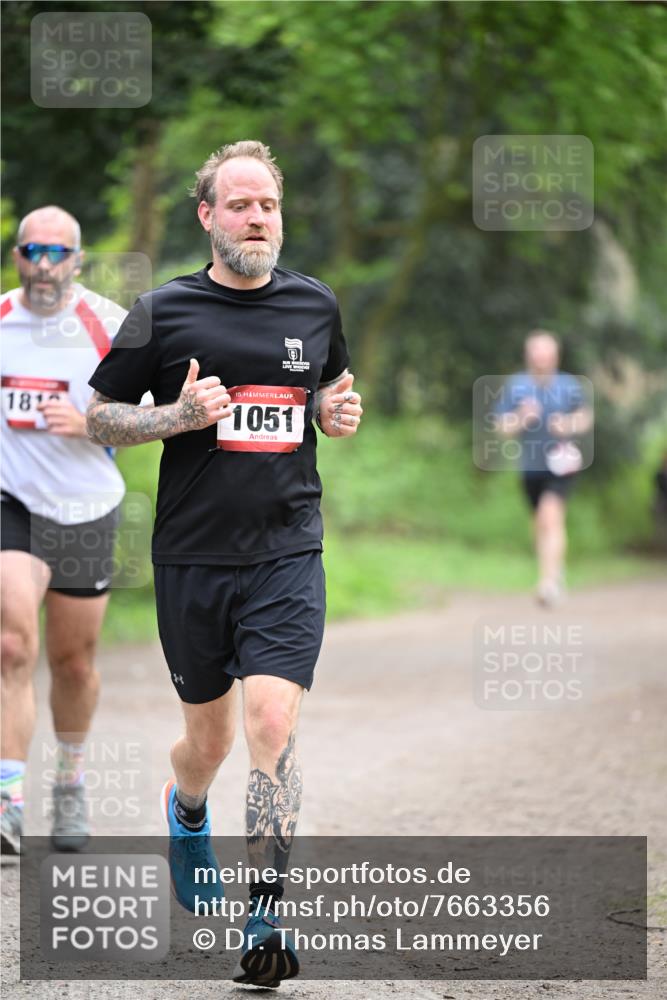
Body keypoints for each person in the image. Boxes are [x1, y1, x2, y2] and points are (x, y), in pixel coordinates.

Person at [86, 140, 363, 987]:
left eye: (267, 205)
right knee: (206, 743)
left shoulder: (314, 303)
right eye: (239, 205)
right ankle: (187, 807)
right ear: (207, 215)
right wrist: (175, 415)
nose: (256, 219)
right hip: (193, 558)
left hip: (287, 549)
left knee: (271, 725)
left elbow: (329, 392)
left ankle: (265, 915)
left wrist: (334, 412)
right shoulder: (161, 311)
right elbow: (99, 416)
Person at [1, 206, 127, 854]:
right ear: (18, 256)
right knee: (10, 645)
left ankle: (70, 782)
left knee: (73, 664)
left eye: (57, 253)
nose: (44, 264)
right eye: (33, 251)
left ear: (77, 260)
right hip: (12, 502)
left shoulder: (109, 325)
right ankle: (8, 801)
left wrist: (89, 424)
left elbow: (150, 415)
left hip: (84, 507)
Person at [494, 330, 592, 607]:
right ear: (528, 355)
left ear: (555, 356)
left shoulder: (569, 385)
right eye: (536, 352)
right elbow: (501, 427)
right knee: (539, 522)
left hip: (561, 465)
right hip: (530, 467)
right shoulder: (516, 386)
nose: (541, 358)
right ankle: (554, 571)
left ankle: (547, 583)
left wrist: (568, 424)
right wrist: (521, 417)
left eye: (546, 353)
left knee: (551, 516)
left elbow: (585, 418)